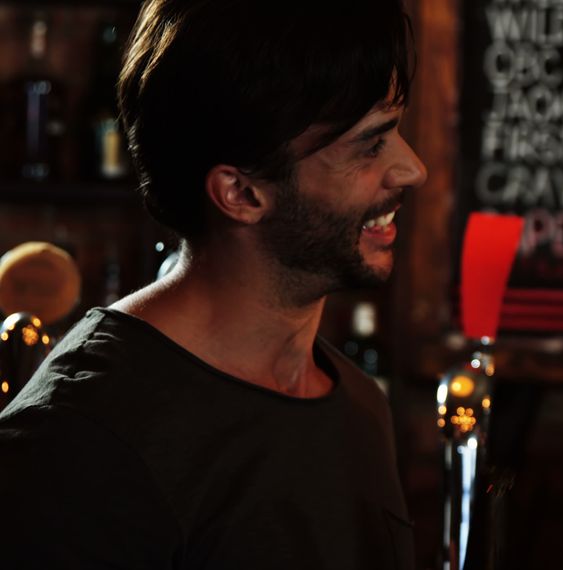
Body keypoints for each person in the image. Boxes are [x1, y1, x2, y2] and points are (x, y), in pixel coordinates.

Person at [0, 0, 426, 568]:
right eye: (370, 145)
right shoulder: (77, 440)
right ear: (241, 194)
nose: (412, 168)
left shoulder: (358, 405)